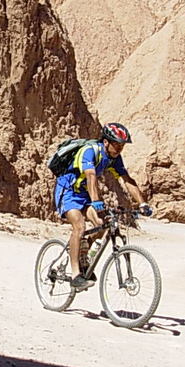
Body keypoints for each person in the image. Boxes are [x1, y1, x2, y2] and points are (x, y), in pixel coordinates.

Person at [53, 122, 152, 289]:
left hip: (84, 194)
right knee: (79, 226)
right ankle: (76, 274)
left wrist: (142, 203)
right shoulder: (90, 151)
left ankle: (84, 253)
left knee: (103, 224)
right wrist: (96, 201)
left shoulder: (114, 159)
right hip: (68, 191)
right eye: (117, 144)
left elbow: (127, 180)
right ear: (106, 142)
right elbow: (90, 175)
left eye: (122, 145)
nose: (120, 148)